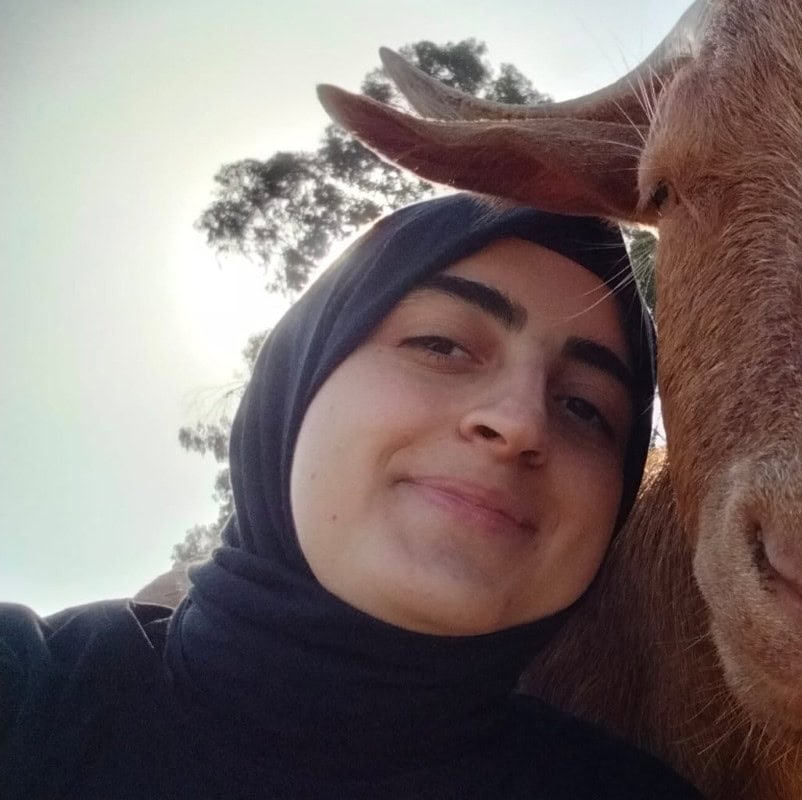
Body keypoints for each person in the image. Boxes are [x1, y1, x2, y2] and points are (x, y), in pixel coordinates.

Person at [0, 194, 702, 799]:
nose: (519, 423)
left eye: (586, 409)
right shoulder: (30, 693)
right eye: (442, 345)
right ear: (297, 384)